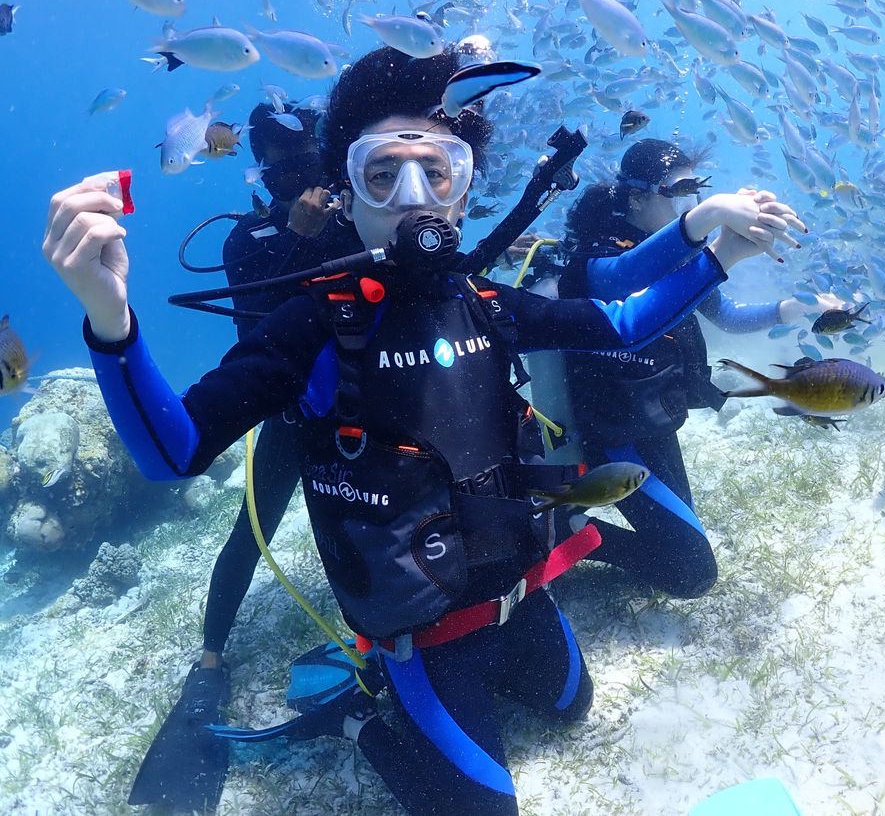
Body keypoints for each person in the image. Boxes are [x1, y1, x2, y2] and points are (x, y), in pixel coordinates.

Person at [42, 45, 800, 816]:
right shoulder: (313, 326)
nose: (414, 197)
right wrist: (110, 319)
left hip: (519, 597)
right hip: (419, 640)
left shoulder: (485, 303)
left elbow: (622, 322)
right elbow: (174, 452)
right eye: (383, 173)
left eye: (436, 171)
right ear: (346, 189)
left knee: (572, 707)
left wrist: (719, 254)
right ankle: (362, 720)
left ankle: (454, 685)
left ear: (464, 187)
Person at [126, 101, 363, 810]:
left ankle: (391, 632)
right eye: (283, 166)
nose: (300, 178)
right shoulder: (247, 238)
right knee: (250, 529)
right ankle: (209, 660)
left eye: (308, 163)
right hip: (294, 413)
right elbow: (258, 332)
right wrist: (297, 238)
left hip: (366, 400)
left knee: (357, 526)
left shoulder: (358, 212)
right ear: (259, 166)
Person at [552, 139, 810, 599]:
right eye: (681, 189)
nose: (689, 201)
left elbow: (727, 316)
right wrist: (709, 220)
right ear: (636, 196)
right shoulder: (594, 256)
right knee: (691, 573)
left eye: (698, 190)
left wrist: (789, 309)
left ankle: (566, 523)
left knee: (681, 545)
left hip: (655, 420)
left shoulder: (681, 253)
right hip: (614, 431)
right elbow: (624, 278)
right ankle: (564, 529)